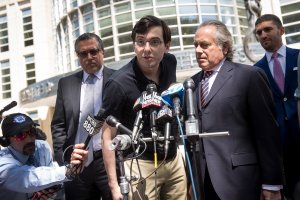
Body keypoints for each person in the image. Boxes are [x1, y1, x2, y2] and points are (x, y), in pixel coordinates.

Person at [190, 20, 284, 200]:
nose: (198, 50)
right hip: (203, 184)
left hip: (242, 181)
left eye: (205, 45)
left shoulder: (249, 76)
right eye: (195, 45)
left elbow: (267, 132)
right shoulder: (191, 84)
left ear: (224, 48)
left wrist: (272, 183)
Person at [101, 15, 187, 200]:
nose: (146, 49)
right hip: (139, 165)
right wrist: (114, 186)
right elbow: (107, 135)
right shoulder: (118, 83)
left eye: (154, 42)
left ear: (167, 45)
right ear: (134, 45)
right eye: (140, 42)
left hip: (173, 161)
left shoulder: (170, 62)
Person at [51, 33, 114, 200]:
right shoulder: (66, 84)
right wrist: (64, 158)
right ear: (78, 56)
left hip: (108, 161)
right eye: (83, 54)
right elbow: (58, 125)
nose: (89, 57)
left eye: (93, 51)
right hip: (77, 161)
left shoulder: (117, 79)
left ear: (102, 52)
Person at [254, 14, 300, 199]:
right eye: (259, 32)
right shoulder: (256, 70)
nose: (263, 35)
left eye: (268, 29)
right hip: (279, 146)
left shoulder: (299, 57)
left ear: (281, 30)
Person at [0, 113, 88, 200]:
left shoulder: (42, 147)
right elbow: (29, 178)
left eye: (32, 132)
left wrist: (51, 190)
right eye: (20, 135)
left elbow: (49, 180)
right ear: (6, 141)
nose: (29, 139)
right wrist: (68, 170)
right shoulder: (3, 163)